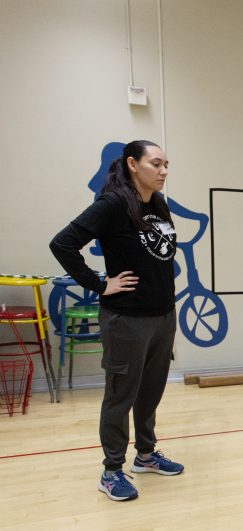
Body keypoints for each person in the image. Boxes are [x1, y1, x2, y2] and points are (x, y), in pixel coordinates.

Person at [50, 140, 184, 502]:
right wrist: (99, 284)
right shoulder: (111, 204)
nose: (163, 170)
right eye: (155, 163)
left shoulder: (157, 203)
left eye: (166, 164)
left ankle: (145, 454)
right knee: (120, 395)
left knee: (151, 391)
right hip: (126, 319)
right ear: (132, 164)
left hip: (162, 316)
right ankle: (111, 471)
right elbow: (62, 244)